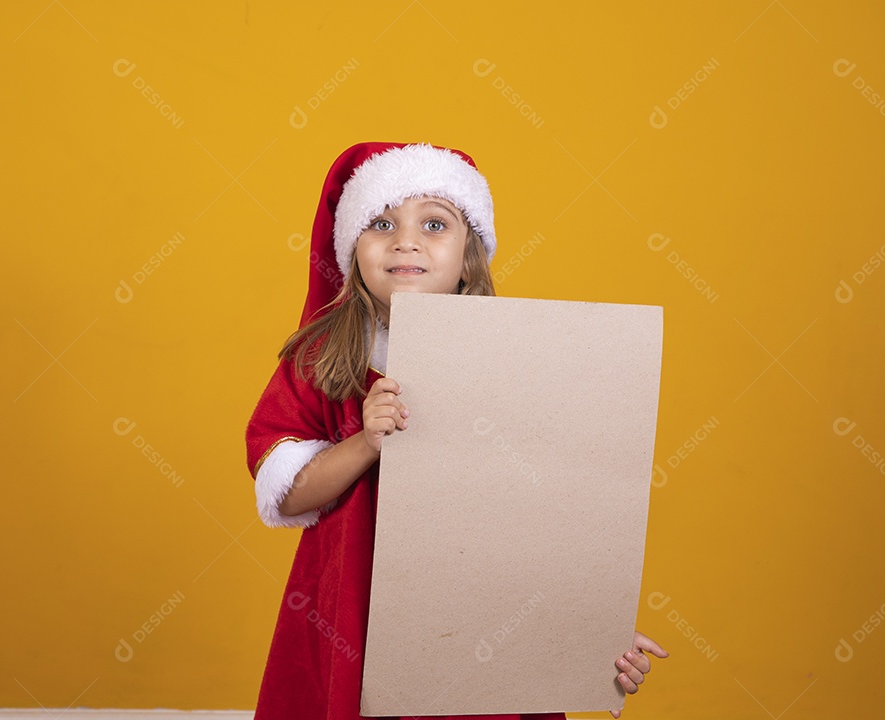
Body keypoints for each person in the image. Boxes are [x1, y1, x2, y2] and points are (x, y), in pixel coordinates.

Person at [245, 141, 668, 719]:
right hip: (351, 616)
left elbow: (552, 514)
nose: (406, 240)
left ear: (469, 252)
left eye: (435, 223)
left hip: (478, 620)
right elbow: (284, 491)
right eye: (381, 222)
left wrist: (590, 634)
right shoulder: (322, 359)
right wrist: (364, 443)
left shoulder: (525, 360)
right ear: (350, 250)